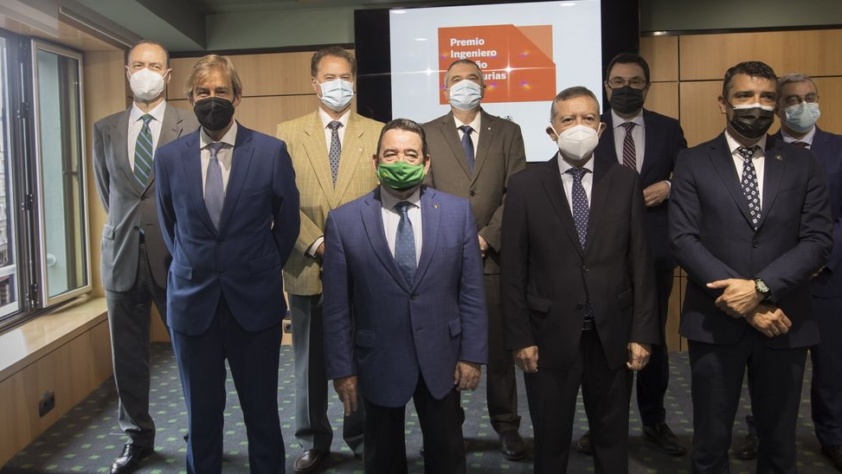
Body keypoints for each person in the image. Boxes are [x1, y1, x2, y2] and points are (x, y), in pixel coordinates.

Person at [669, 61, 832, 473]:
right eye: (744, 96)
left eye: (765, 98)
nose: (755, 106)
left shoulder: (802, 163)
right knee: (710, 440)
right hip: (714, 320)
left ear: (776, 106)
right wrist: (743, 301)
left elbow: (817, 240)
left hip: (784, 318)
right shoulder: (691, 161)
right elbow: (684, 239)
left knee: (779, 443)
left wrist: (759, 289)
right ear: (723, 102)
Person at [501, 86, 658, 473]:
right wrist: (520, 337)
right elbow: (514, 270)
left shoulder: (624, 181)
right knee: (551, 443)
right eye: (568, 119)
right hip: (548, 335)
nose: (578, 126)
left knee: (611, 439)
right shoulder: (525, 186)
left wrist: (642, 333)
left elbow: (640, 262)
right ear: (551, 131)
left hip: (613, 335)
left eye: (588, 118)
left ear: (601, 129)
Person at [155, 54, 300, 473]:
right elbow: (171, 227)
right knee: (201, 418)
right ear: (190, 98)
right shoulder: (168, 159)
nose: (212, 99)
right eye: (203, 92)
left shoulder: (270, 152)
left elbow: (286, 222)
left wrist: (260, 264)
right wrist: (196, 262)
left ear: (238, 96)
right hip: (192, 304)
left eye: (221, 91)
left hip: (254, 305)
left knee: (262, 415)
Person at [322, 118, 488, 474]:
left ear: (426, 163)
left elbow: (472, 292)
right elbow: (336, 308)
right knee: (382, 458)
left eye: (411, 155)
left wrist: (472, 356)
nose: (401, 161)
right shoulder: (344, 221)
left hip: (443, 359)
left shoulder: (457, 213)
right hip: (377, 359)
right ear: (375, 161)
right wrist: (342, 370)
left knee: (447, 454)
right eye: (391, 153)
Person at [92, 39, 199, 474]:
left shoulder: (190, 123)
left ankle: (200, 427)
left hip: (176, 256)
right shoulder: (106, 128)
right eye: (138, 64)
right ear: (126, 70)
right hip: (121, 257)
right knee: (128, 356)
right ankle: (137, 437)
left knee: (191, 350)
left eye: (155, 65)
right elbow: (110, 194)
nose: (146, 71)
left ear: (169, 75)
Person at [276, 46, 383, 473]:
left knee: (362, 355)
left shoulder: (378, 132)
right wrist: (318, 243)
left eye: (346, 77)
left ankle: (360, 435)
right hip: (307, 264)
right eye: (329, 77)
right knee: (309, 361)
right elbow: (280, 201)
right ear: (314, 83)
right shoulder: (287, 132)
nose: (339, 84)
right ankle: (314, 439)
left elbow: (385, 198)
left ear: (354, 82)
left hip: (366, 268)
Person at [576, 53, 687, 457]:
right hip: (601, 254)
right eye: (617, 81)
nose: (625, 88)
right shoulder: (589, 129)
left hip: (655, 253)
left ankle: (655, 419)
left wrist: (671, 186)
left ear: (647, 85)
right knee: (603, 345)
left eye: (635, 81)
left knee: (652, 339)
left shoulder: (668, 129)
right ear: (606, 86)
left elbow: (688, 177)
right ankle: (603, 425)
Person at [733, 73, 842, 471]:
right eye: (792, 99)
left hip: (828, 278)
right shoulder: (761, 149)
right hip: (773, 282)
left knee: (831, 365)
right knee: (768, 364)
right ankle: (759, 430)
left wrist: (817, 259)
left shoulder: (839, 149)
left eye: (808, 97)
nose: (801, 105)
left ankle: (832, 433)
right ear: (778, 107)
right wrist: (777, 273)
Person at [422, 58, 527, 460]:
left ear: (486, 86)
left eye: (473, 79)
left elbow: (514, 193)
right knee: (446, 348)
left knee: (499, 348)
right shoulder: (427, 133)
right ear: (444, 88)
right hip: (443, 259)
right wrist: (456, 241)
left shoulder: (509, 132)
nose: (465, 85)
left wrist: (485, 238)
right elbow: (424, 192)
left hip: (494, 258)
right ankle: (450, 425)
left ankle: (507, 426)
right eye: (456, 80)